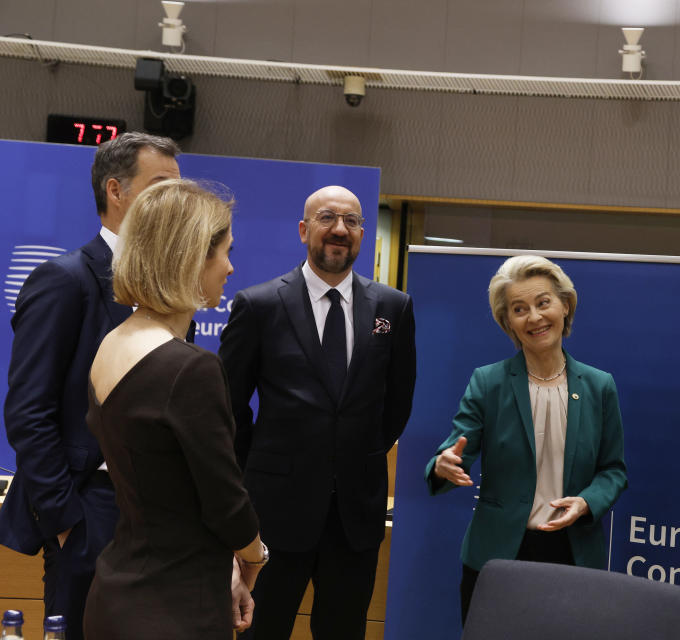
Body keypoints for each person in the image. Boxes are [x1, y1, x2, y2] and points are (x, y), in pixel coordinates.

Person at [0, 132, 180, 638]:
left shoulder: (166, 289)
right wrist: (65, 519)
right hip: (88, 506)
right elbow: (28, 412)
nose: (174, 200)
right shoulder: (65, 280)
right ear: (116, 190)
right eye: (161, 185)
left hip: (155, 512)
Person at [219, 185, 417, 639]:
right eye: (328, 218)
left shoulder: (393, 307)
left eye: (352, 221)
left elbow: (397, 402)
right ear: (305, 230)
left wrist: (356, 452)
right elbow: (228, 409)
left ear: (362, 234)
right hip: (273, 514)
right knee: (261, 630)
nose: (340, 230)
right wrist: (261, 466)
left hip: (356, 515)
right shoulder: (260, 304)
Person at [82, 179, 266, 639]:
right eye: (223, 251)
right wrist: (252, 557)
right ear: (189, 256)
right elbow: (225, 502)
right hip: (176, 609)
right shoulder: (190, 368)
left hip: (115, 593)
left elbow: (171, 494)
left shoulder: (111, 344)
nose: (229, 267)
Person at [426, 255, 628, 625]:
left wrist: (586, 502)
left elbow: (613, 470)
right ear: (509, 324)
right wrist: (443, 463)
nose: (534, 317)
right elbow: (455, 448)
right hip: (498, 556)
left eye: (543, 303)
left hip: (573, 553)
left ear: (565, 306)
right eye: (519, 309)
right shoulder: (488, 382)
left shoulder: (600, 386)